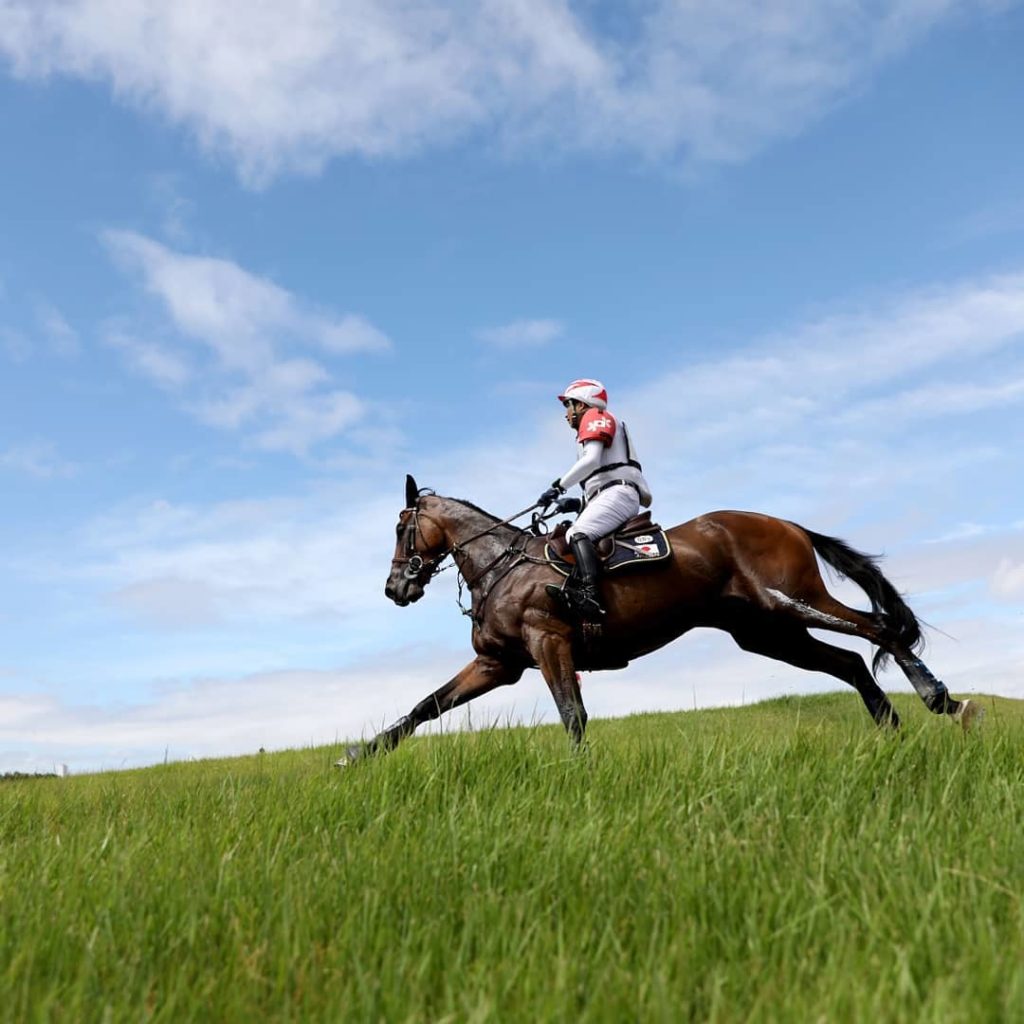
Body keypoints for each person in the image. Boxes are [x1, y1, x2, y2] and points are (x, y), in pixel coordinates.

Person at [537, 378, 653, 621]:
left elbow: (591, 461)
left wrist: (558, 487)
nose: (566, 413)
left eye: (569, 405)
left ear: (582, 404)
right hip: (611, 493)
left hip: (619, 493)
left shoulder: (595, 416)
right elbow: (601, 478)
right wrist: (578, 503)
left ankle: (590, 596)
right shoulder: (591, 424)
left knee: (577, 533)